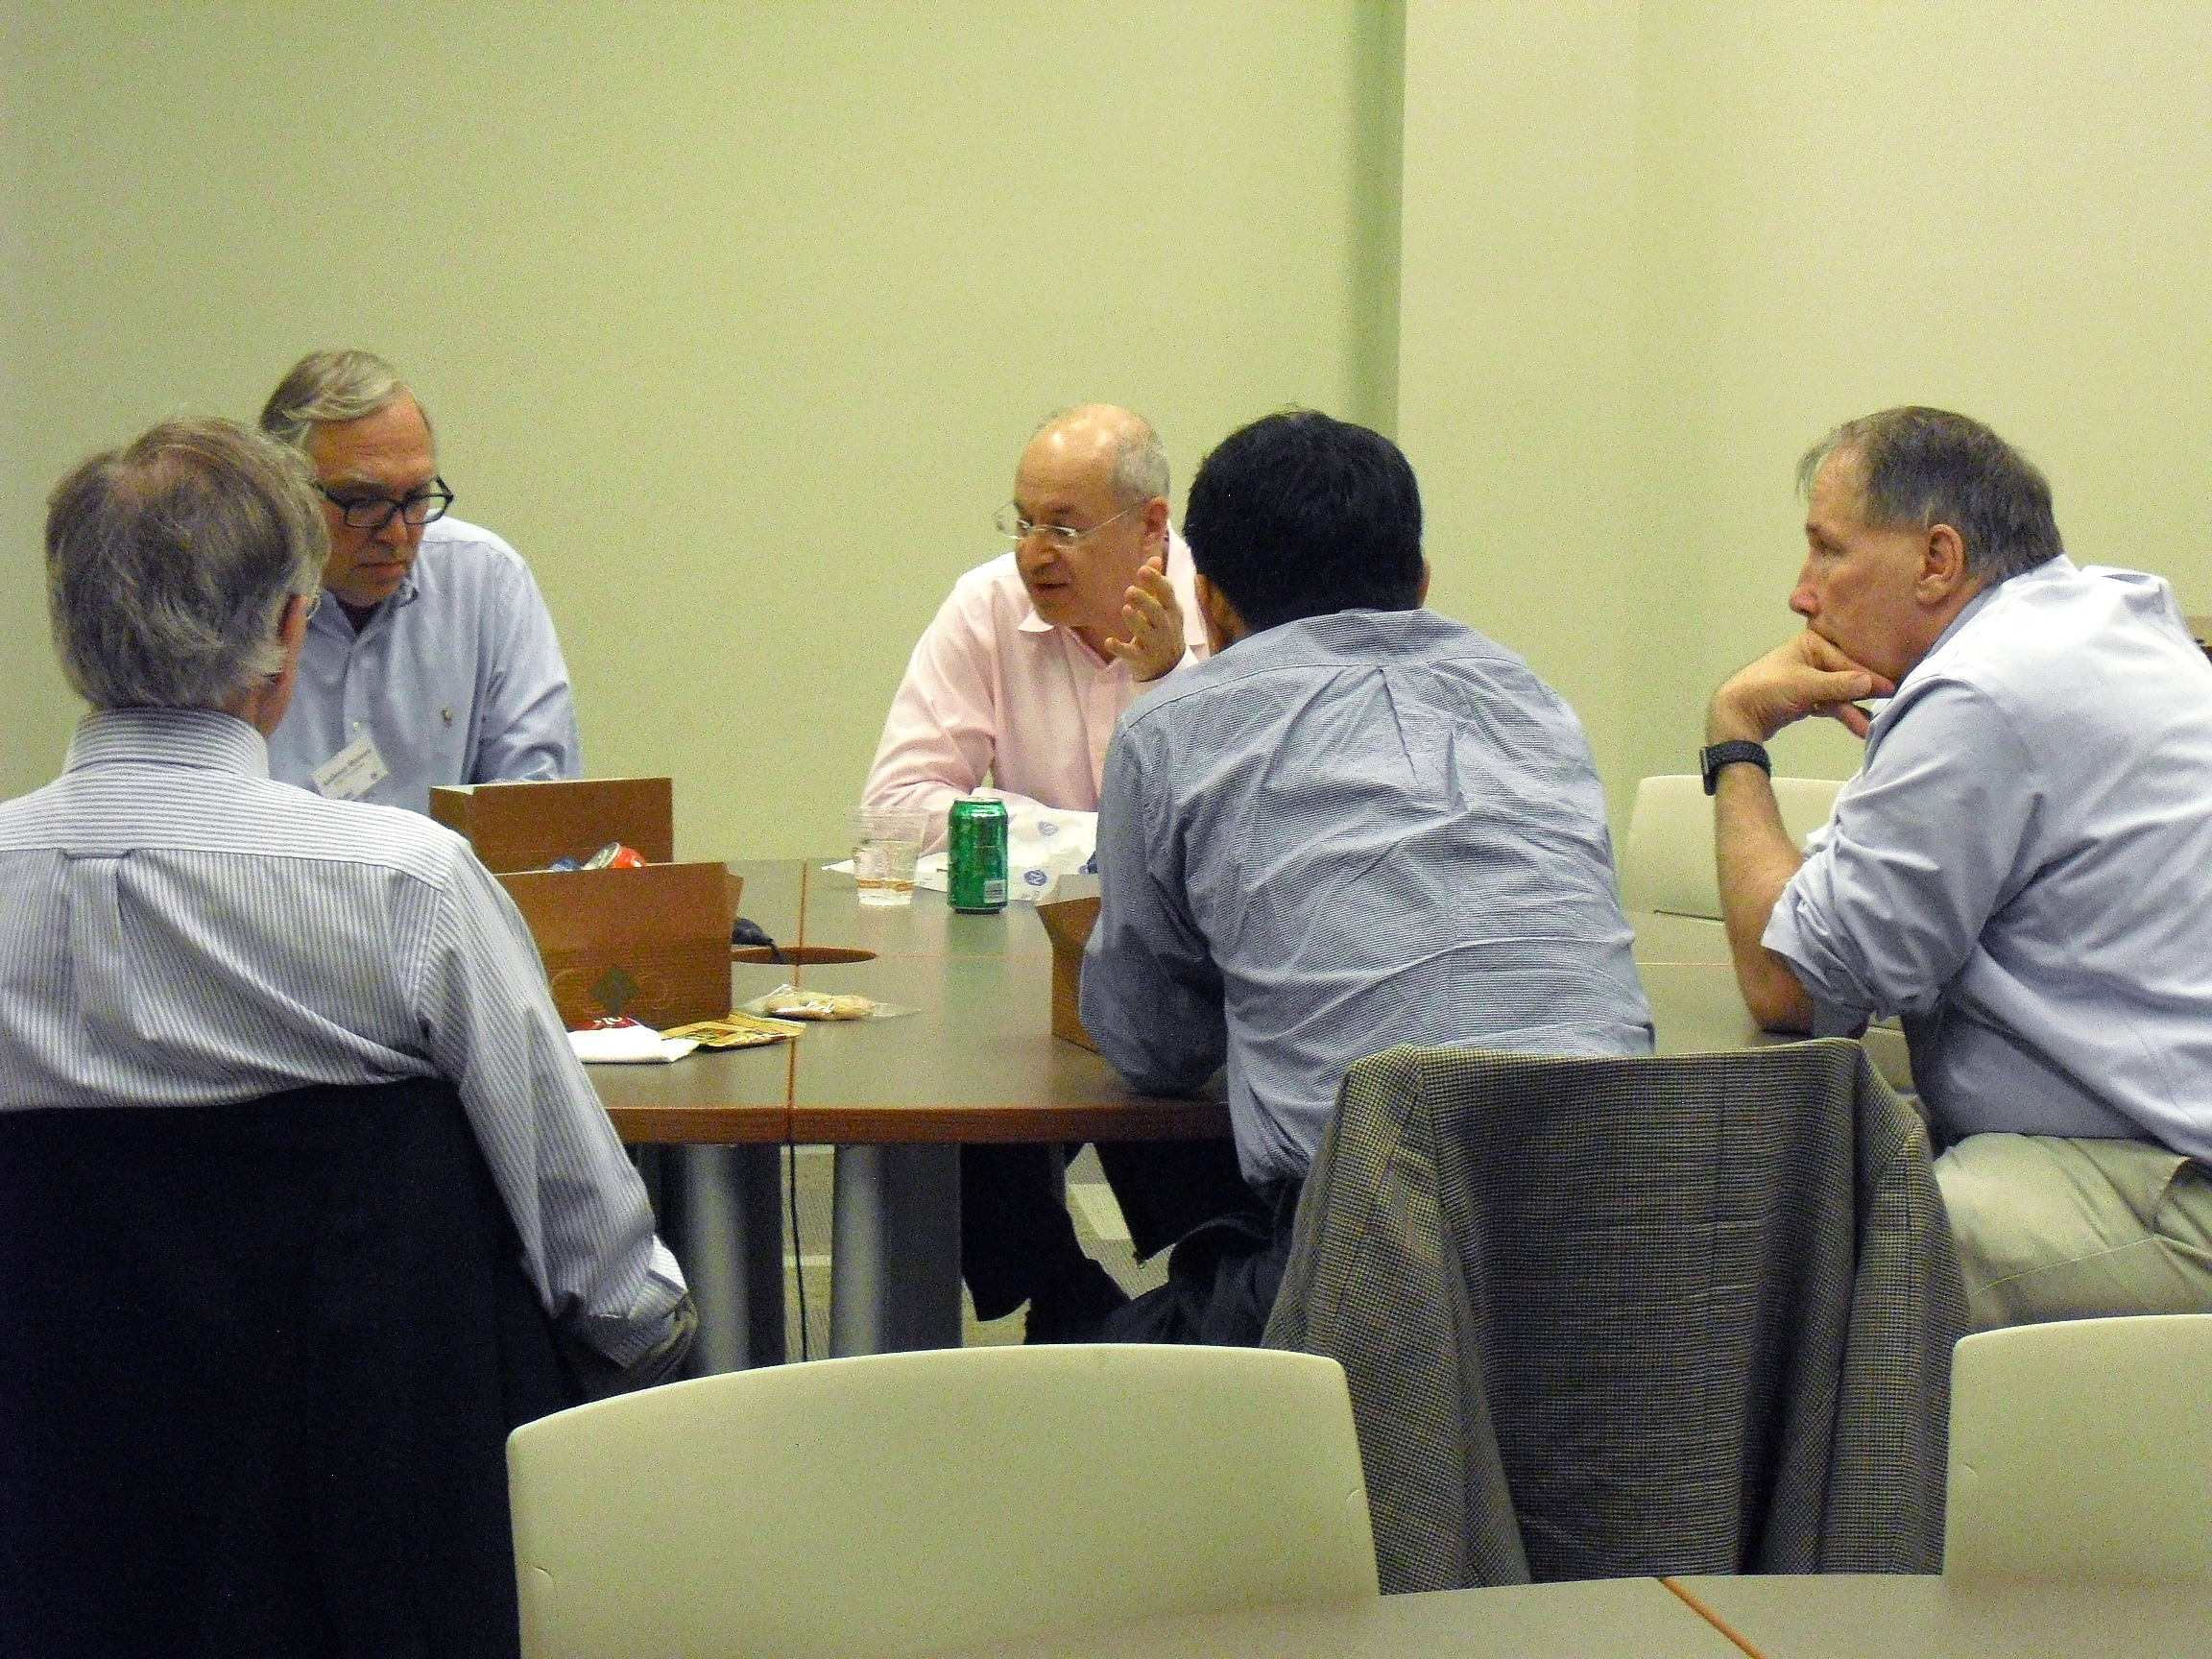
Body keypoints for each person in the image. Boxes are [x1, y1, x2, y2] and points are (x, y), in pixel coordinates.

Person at [1, 416, 693, 1381]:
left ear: (65, 629)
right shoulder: (413, 890)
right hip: (360, 1487)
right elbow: (602, 1273)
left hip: (46, 1490)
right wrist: (665, 1343)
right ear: (293, 626)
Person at [1081, 409, 1655, 1343]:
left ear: (1210, 602)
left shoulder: (1172, 731)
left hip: (1378, 1273)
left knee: (1067, 1382)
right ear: (1422, 584)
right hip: (1622, 1260)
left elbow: (1155, 1049)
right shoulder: (1534, 702)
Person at [1704, 405, 2212, 1331]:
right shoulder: (2107, 622)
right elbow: (1838, 906)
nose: (1801, 593)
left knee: (1797, 1273)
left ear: (1937, 561)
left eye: (1828, 551)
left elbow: (1792, 987)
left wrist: (1736, 737)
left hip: (2170, 1187)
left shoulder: (1985, 692)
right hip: (2148, 1138)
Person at [864, 405, 1238, 1340]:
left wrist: (1169, 686)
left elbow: (1246, 818)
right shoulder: (986, 606)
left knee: (1164, 1055)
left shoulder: (1225, 611)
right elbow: (895, 806)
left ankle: (1215, 1279)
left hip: (1190, 972)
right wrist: (1079, 839)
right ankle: (1058, 1285)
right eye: (1023, 521)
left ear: (1152, 526)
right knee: (945, 1073)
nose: (1036, 552)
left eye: (1065, 526)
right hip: (1032, 971)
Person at [259, 349, 581, 813]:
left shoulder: (485, 581)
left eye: (415, 498)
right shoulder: (231, 599)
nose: (396, 533)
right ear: (281, 492)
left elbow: (534, 808)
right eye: (361, 501)